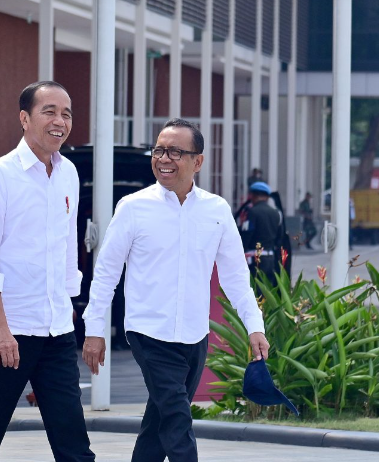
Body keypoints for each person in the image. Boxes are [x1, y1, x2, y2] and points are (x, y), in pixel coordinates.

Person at [83, 118, 269, 462]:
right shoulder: (133, 207)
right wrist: (95, 330)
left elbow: (235, 276)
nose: (163, 158)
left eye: (175, 152)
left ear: (197, 161)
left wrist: (254, 326)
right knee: (178, 417)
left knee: (159, 422)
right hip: (148, 332)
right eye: (159, 150)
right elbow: (106, 273)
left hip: (194, 335)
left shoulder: (216, 210)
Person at [0, 81, 95, 462]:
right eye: (49, 111)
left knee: (73, 441)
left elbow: (68, 248)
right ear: (24, 118)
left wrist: (69, 306)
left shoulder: (69, 172)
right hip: (9, 331)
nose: (60, 121)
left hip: (56, 329)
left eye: (67, 113)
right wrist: (0, 328)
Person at [240, 181, 282, 283]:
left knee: (254, 289)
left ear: (252, 196)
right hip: (270, 258)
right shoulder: (276, 213)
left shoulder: (252, 212)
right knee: (266, 290)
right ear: (267, 197)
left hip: (254, 258)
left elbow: (246, 234)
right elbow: (280, 237)